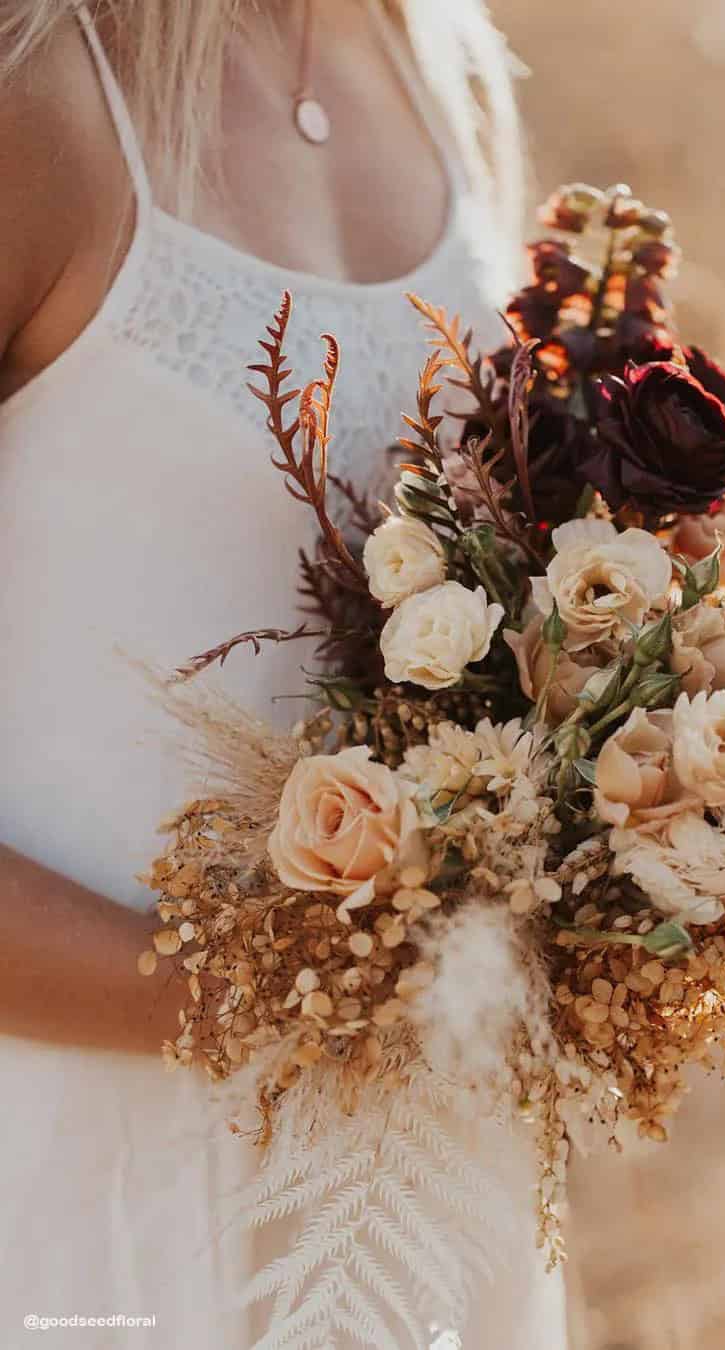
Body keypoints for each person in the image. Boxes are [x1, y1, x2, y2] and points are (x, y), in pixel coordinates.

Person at [0, 2, 567, 1345]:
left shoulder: (440, 60)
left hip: (407, 1182)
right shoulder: (38, 89)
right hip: (85, 1168)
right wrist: (281, 998)